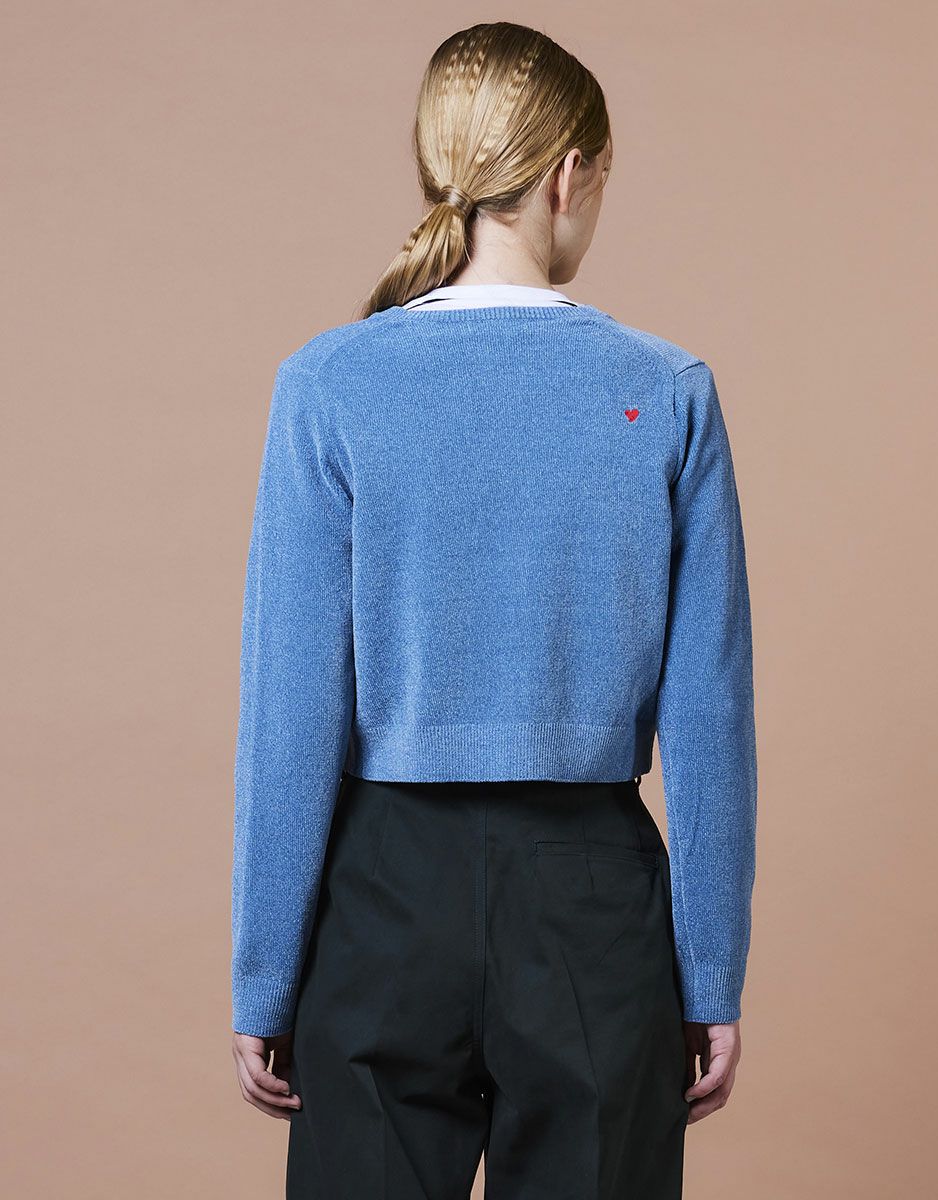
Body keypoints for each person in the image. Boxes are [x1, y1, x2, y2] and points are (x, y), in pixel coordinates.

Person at [230, 20, 757, 1199]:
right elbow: (710, 717)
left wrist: (265, 975)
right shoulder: (666, 389)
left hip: (382, 894)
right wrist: (710, 972)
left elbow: (290, 710)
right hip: (593, 901)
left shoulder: (328, 383)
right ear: (568, 175)